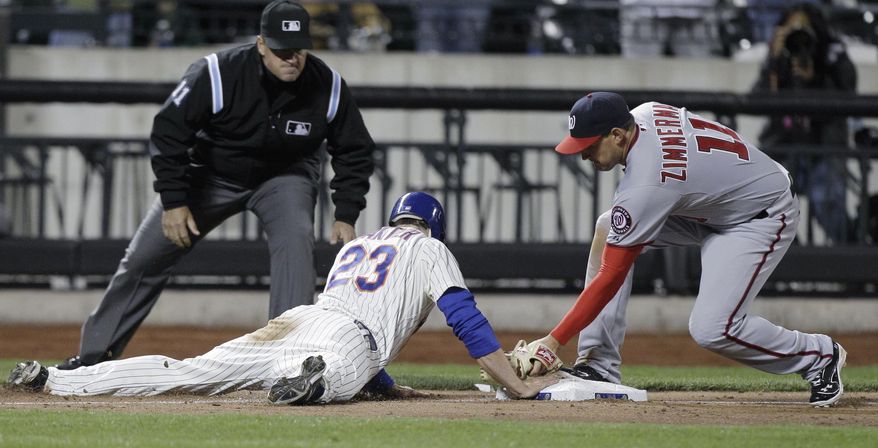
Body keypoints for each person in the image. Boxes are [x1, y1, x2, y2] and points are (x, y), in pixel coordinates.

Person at [57, 0, 376, 370]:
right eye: (281, 49)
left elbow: (354, 149)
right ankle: (94, 358)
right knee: (146, 256)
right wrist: (174, 200)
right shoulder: (218, 72)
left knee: (296, 246)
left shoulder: (327, 85)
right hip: (210, 175)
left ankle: (291, 361)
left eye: (298, 49)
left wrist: (346, 212)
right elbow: (169, 131)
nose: (291, 58)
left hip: (284, 176)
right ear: (261, 45)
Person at [8, 192, 553, 403]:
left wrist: (386, 386)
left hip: (297, 321)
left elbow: (360, 310)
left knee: (188, 370)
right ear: (436, 225)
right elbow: (464, 318)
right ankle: (314, 379)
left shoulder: (357, 246)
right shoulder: (431, 249)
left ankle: (54, 378)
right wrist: (513, 384)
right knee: (336, 375)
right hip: (346, 340)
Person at [515, 92, 847, 407]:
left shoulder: (647, 182)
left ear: (617, 135)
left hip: (759, 216)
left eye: (588, 145)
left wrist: (552, 341)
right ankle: (598, 365)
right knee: (609, 228)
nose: (583, 154)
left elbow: (611, 276)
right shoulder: (644, 113)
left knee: (713, 328)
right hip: (719, 203)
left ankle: (818, 355)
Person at [752, 2, 857, 244]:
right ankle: (786, 260)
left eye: (804, 29)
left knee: (827, 203)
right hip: (784, 146)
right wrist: (774, 63)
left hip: (825, 148)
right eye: (792, 30)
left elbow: (849, 95)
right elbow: (757, 98)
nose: (799, 36)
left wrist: (814, 79)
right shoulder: (779, 59)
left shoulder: (833, 54)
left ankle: (851, 260)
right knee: (766, 204)